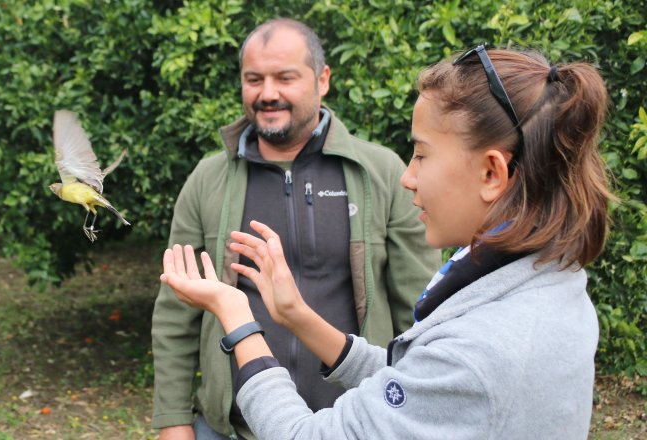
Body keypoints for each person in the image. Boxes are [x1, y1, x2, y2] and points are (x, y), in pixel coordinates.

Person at [160, 45, 613, 439]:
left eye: (421, 154)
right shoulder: (551, 284)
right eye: (253, 78)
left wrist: (238, 317)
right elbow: (419, 381)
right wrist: (296, 315)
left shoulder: (480, 349)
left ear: (492, 173)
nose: (408, 177)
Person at [151, 18, 439, 439]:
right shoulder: (207, 180)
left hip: (353, 424)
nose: (268, 94)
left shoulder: (381, 173)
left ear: (323, 79)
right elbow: (175, 317)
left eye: (285, 78)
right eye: (254, 79)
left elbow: (418, 312)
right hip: (234, 428)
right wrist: (174, 423)